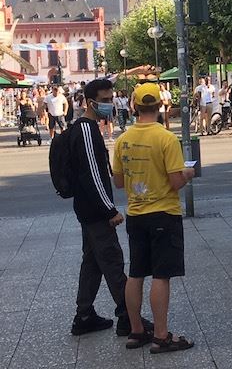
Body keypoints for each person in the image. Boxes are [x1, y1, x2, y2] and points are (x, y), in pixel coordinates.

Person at [113, 83, 195, 353]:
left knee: (136, 273)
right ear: (160, 105)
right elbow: (175, 182)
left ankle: (137, 330)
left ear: (134, 107)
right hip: (163, 214)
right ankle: (161, 336)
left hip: (136, 215)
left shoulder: (123, 140)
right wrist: (188, 174)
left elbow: (118, 182)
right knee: (161, 275)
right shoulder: (166, 138)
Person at [66, 79, 151, 337]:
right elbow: (93, 175)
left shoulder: (86, 128)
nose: (109, 104)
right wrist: (109, 210)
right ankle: (128, 317)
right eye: (104, 100)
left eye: (110, 98)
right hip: (95, 212)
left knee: (92, 262)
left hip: (88, 209)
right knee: (113, 261)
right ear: (89, 102)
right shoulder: (86, 130)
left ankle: (84, 315)